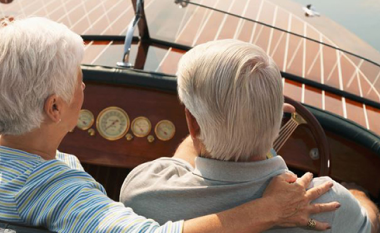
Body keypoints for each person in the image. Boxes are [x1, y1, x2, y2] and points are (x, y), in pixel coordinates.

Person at [0, 17, 339, 233]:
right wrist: (269, 208)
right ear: (55, 108)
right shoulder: (54, 191)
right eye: (78, 78)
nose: (85, 87)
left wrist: (201, 128)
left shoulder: (141, 191)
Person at [120, 39, 380, 232]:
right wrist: (359, 195)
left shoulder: (144, 192)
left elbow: (182, 158)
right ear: (275, 120)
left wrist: (213, 122)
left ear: (192, 122)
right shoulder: (327, 201)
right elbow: (370, 225)